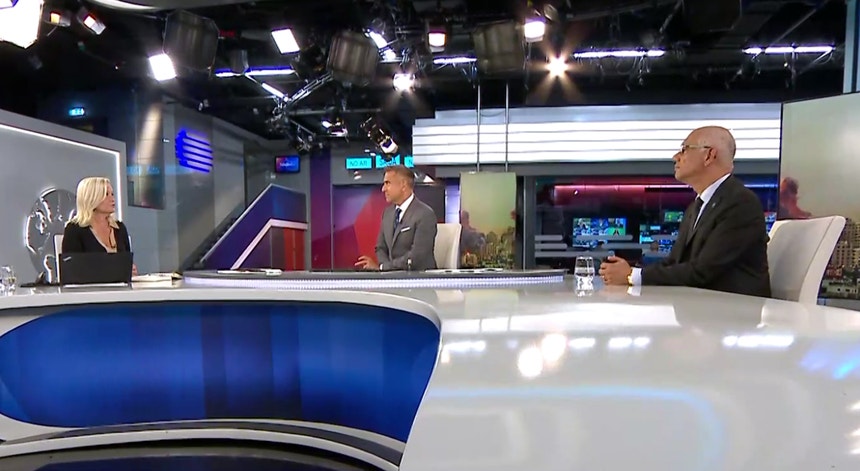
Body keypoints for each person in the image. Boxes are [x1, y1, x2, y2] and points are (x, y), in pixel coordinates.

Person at [599, 126, 771, 297]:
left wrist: (632, 276)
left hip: (733, 310)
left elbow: (703, 271)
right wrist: (629, 271)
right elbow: (675, 263)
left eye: (684, 149)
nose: (675, 157)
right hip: (701, 306)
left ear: (709, 155)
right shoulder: (696, 207)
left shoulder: (740, 203)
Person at [356, 165, 437, 271]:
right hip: (391, 277)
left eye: (388, 183)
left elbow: (417, 257)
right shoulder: (387, 213)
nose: (383, 189)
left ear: (403, 185)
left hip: (418, 277)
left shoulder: (425, 214)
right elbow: (380, 248)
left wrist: (384, 267)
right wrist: (386, 270)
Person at [62, 176, 137, 275]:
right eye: (106, 194)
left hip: (120, 284)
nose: (112, 199)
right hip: (92, 285)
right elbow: (72, 270)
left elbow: (127, 262)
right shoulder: (74, 229)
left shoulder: (119, 227)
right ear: (91, 198)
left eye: (112, 194)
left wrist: (130, 269)